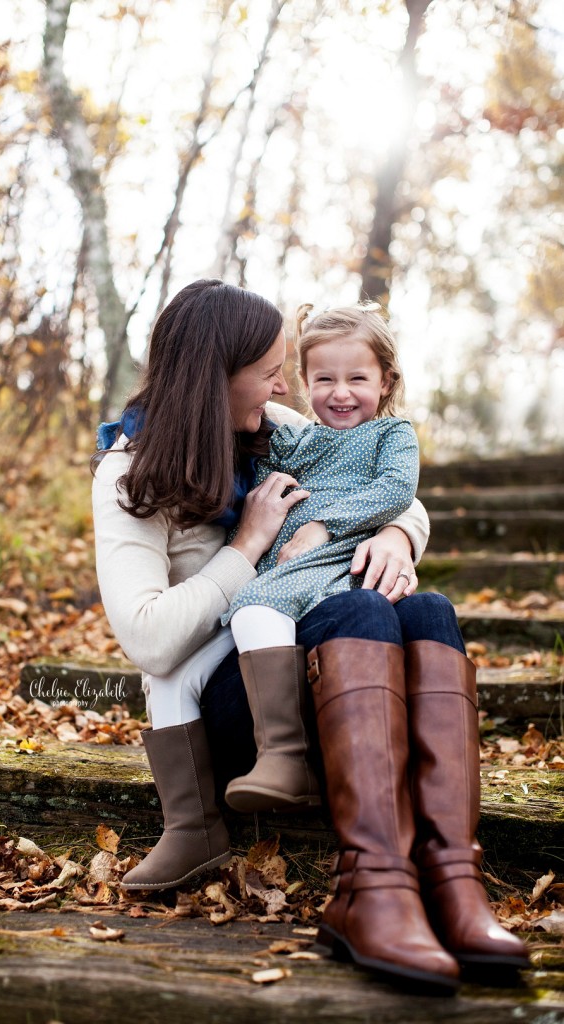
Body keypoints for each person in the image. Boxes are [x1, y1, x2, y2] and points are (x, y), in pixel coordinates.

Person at [92, 279, 529, 992]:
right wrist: (249, 545)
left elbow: (386, 478)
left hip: (322, 681)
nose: (279, 387)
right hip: (233, 712)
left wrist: (396, 534)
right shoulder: (129, 473)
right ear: (215, 378)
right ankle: (371, 886)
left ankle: (452, 878)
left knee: (427, 611)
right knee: (362, 614)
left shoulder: (272, 428)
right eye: (268, 371)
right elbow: (150, 642)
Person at [221, 303, 420, 813]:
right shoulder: (294, 439)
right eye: (324, 378)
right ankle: (286, 751)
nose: (341, 392)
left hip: (338, 559)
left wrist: (324, 524)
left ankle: (287, 754)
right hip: (289, 565)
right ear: (304, 383)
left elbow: (398, 490)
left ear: (386, 380)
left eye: (358, 377)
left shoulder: (391, 435)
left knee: (254, 608)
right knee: (251, 610)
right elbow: (253, 455)